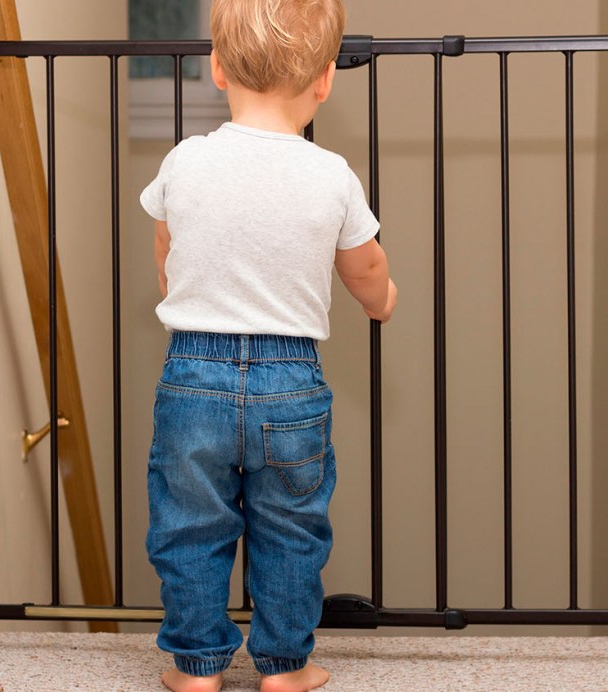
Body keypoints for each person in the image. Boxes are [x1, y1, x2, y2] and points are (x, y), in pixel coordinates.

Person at [138, 0, 396, 689]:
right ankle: (286, 665)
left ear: (218, 69)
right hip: (291, 380)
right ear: (323, 82)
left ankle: (196, 666)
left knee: (190, 524)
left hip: (194, 369)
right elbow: (365, 266)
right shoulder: (331, 174)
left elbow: (167, 243)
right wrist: (383, 302)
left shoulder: (186, 161)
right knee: (292, 527)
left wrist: (176, 279)